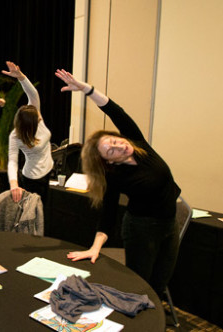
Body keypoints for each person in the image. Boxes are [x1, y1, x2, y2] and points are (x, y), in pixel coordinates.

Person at [56, 69, 181, 295]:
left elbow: (115, 111)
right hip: (142, 230)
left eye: (115, 140)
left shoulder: (137, 143)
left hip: (169, 224)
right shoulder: (116, 177)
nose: (119, 146)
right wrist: (95, 248)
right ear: (108, 163)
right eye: (111, 151)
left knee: (160, 284)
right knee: (140, 287)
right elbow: (108, 214)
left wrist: (87, 89)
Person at [3, 61, 54, 204]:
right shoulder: (15, 136)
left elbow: (33, 94)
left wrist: (21, 77)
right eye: (37, 119)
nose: (40, 117)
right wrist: (14, 185)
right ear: (29, 125)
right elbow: (12, 162)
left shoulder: (34, 113)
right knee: (33, 213)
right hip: (32, 178)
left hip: (49, 170)